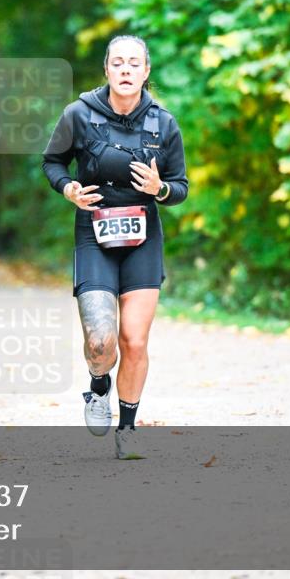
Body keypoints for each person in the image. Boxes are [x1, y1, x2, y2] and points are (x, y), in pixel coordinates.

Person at [42, 35, 188, 459]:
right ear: (106, 70)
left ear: (146, 72)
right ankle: (98, 387)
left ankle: (127, 429)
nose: (126, 70)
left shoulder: (164, 123)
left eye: (134, 63)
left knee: (135, 342)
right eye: (118, 63)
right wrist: (68, 186)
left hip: (143, 236)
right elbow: (51, 161)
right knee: (102, 341)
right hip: (95, 233)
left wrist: (160, 188)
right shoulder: (79, 115)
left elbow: (180, 186)